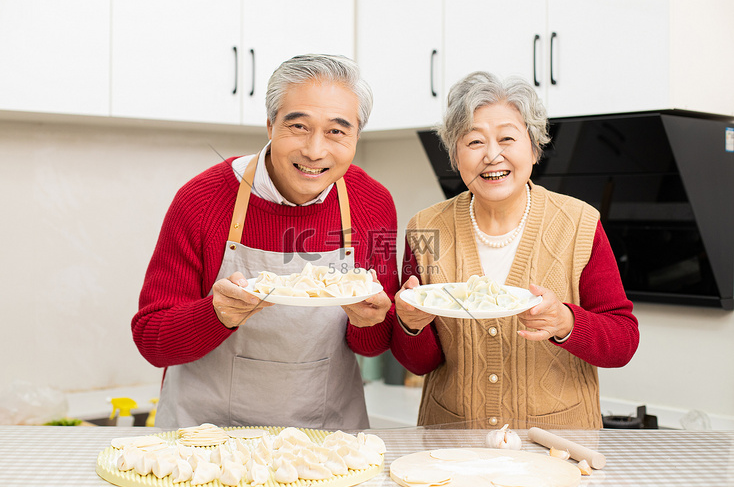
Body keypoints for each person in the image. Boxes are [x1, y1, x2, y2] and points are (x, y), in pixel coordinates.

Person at [132, 54, 399, 430]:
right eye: (299, 126)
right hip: (207, 441)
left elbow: (377, 342)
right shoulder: (201, 200)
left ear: (357, 135)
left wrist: (369, 322)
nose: (315, 150)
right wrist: (217, 314)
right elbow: (152, 339)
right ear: (271, 124)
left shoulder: (373, 204)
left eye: (337, 131)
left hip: (324, 442)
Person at [391, 72, 639, 429]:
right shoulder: (425, 228)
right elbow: (419, 363)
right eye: (474, 141)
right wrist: (409, 326)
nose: (492, 155)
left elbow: (623, 340)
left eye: (507, 138)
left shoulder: (579, 223)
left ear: (534, 147)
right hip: (452, 441)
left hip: (558, 445)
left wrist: (565, 322)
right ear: (454, 154)